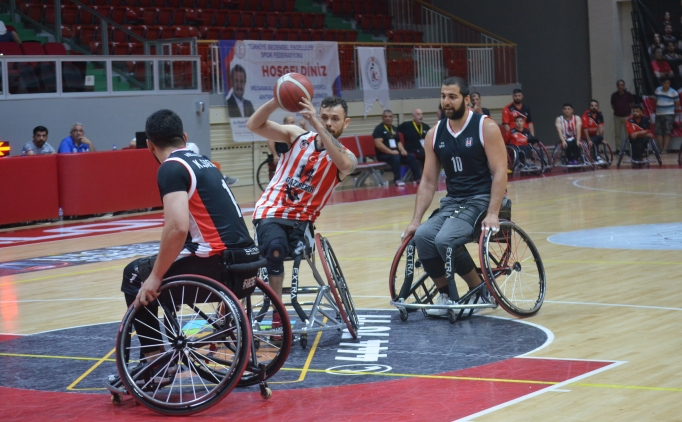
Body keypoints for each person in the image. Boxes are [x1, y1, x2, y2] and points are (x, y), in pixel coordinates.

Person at [108, 109, 259, 385]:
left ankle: (155, 362)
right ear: (185, 137)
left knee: (135, 274)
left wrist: (154, 277)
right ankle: (158, 354)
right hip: (247, 265)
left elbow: (177, 228)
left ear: (149, 146)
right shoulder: (205, 163)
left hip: (216, 266)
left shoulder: (171, 167)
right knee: (156, 265)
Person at [403, 76, 507, 316]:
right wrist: (416, 220)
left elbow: (500, 171)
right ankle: (446, 295)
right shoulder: (435, 133)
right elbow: (428, 181)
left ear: (467, 99)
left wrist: (492, 213)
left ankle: (479, 287)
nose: (446, 102)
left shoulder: (486, 127)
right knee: (423, 236)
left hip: (480, 198)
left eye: (452, 96)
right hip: (453, 201)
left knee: (444, 240)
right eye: (443, 96)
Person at [247, 96, 357, 309]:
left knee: (283, 248)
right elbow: (254, 125)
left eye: (335, 119)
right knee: (276, 249)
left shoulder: (347, 157)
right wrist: (276, 101)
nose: (328, 123)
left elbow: (343, 162)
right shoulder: (296, 136)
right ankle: (278, 314)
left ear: (346, 123)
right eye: (324, 117)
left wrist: (316, 123)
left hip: (301, 221)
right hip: (271, 212)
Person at [373, 110, 422, 186]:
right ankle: (397, 179)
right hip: (384, 155)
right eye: (386, 117)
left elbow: (398, 142)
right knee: (395, 157)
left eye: (390, 117)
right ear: (382, 118)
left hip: (395, 153)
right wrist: (390, 152)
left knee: (410, 156)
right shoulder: (379, 129)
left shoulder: (394, 128)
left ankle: (418, 179)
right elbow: (378, 144)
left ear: (392, 118)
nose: (388, 118)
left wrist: (403, 150)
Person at [654, 78, 679, 153]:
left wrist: (668, 107)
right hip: (658, 113)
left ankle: (665, 149)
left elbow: (677, 103)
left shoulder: (673, 92)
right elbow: (655, 100)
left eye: (668, 83)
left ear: (670, 84)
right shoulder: (658, 90)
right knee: (658, 131)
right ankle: (660, 148)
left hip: (669, 114)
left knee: (667, 131)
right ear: (662, 83)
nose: (666, 84)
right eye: (665, 83)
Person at [611, 80, 635, 150]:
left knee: (628, 133)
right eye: (619, 85)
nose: (620, 86)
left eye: (622, 85)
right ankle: (619, 149)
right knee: (617, 134)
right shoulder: (614, 95)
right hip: (617, 116)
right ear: (617, 86)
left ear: (624, 86)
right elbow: (612, 106)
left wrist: (627, 109)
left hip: (627, 116)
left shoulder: (628, 94)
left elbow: (632, 104)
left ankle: (628, 149)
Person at [581, 99, 607, 164]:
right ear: (589, 107)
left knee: (599, 138)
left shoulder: (600, 114)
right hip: (584, 135)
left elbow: (601, 127)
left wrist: (601, 139)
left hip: (593, 135)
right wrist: (588, 139)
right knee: (593, 140)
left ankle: (597, 155)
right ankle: (596, 157)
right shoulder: (586, 115)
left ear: (598, 107)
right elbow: (585, 128)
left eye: (595, 105)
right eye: (592, 105)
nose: (594, 107)